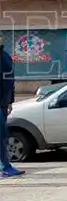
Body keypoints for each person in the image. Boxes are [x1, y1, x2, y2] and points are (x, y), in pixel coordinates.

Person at [0, 37, 23, 177]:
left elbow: (10, 81)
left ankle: (5, 165)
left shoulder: (5, 57)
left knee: (2, 135)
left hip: (2, 103)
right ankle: (5, 166)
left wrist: (9, 102)